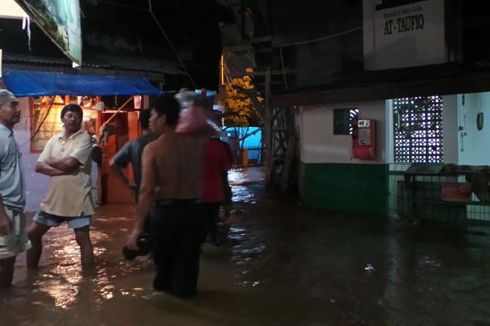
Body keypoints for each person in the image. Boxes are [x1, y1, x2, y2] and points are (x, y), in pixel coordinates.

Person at [126, 95, 207, 297]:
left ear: (162, 118)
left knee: (164, 273)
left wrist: (137, 229)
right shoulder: (196, 146)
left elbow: (146, 190)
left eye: (153, 115)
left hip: (166, 214)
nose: (150, 120)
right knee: (188, 267)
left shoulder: (152, 148)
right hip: (195, 212)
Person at [27, 104, 95, 268]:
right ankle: (31, 274)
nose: (74, 119)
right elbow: (39, 167)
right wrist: (62, 170)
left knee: (82, 239)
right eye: (70, 115)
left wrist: (50, 162)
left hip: (78, 199)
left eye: (78, 116)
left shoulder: (85, 139)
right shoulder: (53, 140)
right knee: (32, 234)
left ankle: (88, 280)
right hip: (54, 199)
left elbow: (70, 163)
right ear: (62, 119)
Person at [0, 89, 30, 288]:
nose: (18, 109)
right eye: (12, 105)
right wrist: (1, 216)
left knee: (8, 259)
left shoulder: (8, 136)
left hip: (13, 209)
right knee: (3, 263)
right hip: (5, 210)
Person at [109, 108, 157, 201]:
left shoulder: (133, 144)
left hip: (142, 195)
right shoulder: (162, 141)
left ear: (140, 123)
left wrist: (126, 183)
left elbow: (112, 163)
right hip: (162, 197)